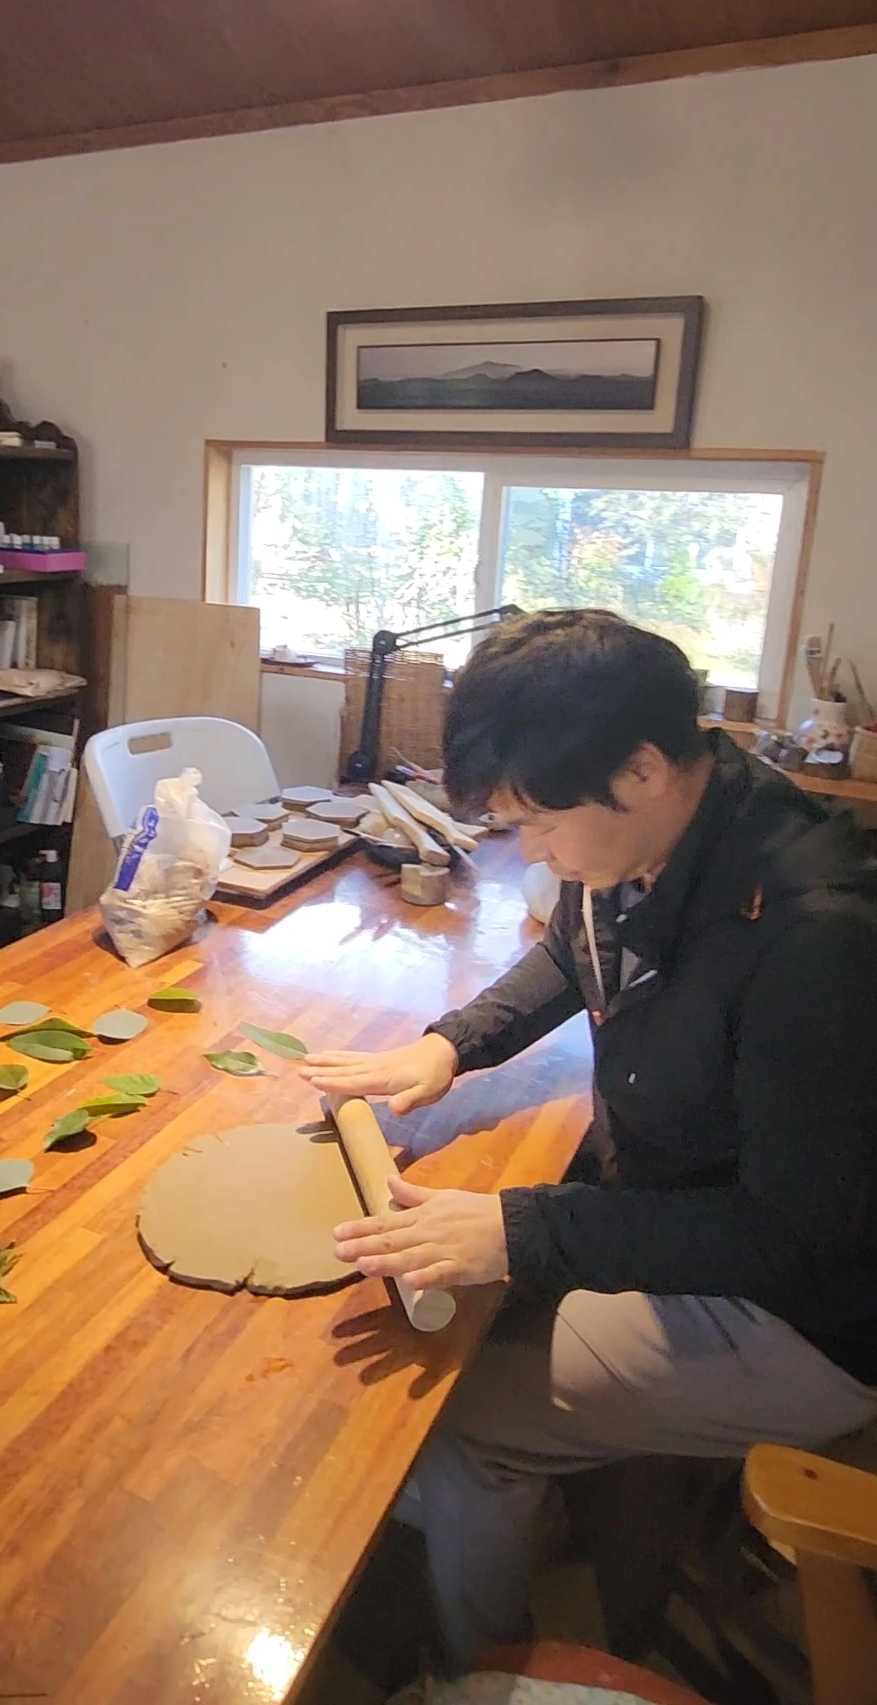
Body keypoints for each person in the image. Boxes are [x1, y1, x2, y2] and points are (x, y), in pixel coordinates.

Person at [302, 609, 877, 1672]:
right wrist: (453, 1043)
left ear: (643, 769)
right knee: (475, 1319)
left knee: (458, 1422)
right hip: (687, 1204)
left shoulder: (817, 938)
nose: (532, 851)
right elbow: (580, 950)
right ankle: (539, 1514)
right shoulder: (666, 827)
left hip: (808, 1317)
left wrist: (521, 1230)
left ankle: (486, 1670)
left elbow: (789, 1236)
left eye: (539, 822)